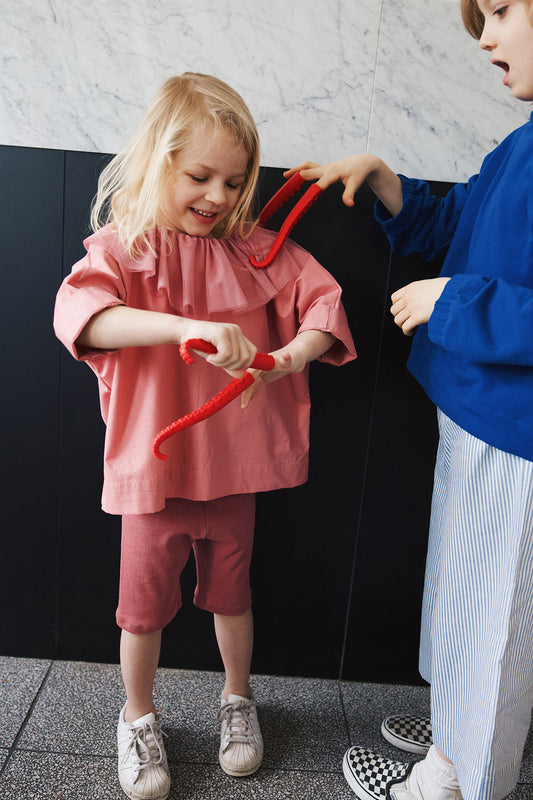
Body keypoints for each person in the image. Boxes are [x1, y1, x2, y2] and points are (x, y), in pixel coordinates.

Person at [53, 72, 355, 800]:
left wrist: (286, 358)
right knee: (142, 610)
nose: (218, 197)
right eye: (199, 176)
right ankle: (137, 715)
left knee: (232, 596)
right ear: (159, 161)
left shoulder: (252, 250)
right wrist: (185, 327)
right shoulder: (124, 251)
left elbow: (323, 300)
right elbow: (85, 318)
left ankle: (236, 700)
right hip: (152, 476)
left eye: (234, 180)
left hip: (232, 473)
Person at [286, 1, 533, 799]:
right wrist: (389, 183)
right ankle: (460, 729)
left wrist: (450, 303)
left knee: (493, 620)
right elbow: (461, 221)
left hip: (516, 435)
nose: (485, 37)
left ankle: (459, 776)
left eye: (499, 11)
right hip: (476, 410)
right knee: (464, 599)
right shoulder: (523, 145)